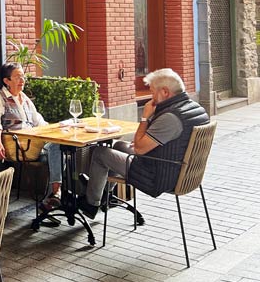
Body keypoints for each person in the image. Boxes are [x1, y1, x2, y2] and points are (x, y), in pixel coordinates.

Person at [77, 67, 209, 219]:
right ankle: (104, 195)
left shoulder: (171, 118)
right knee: (119, 146)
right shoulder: (195, 109)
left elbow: (139, 149)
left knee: (100, 153)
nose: (150, 97)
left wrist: (145, 117)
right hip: (182, 172)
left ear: (165, 92)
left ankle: (91, 204)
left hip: (159, 177)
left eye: (152, 92)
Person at [0, 62, 62, 211]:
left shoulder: (24, 98)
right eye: (18, 77)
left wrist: (57, 130)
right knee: (57, 149)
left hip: (34, 143)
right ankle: (54, 194)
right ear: (6, 81)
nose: (22, 80)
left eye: (23, 76)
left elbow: (39, 122)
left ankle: (52, 198)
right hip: (18, 146)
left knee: (61, 149)